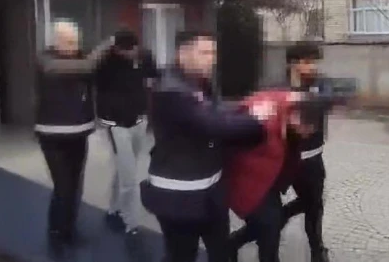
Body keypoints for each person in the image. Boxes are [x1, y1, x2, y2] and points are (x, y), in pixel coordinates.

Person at [141, 30, 267, 262]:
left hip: (211, 190)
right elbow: (214, 124)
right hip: (178, 195)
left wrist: (244, 111)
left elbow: (218, 112)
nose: (212, 59)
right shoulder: (171, 89)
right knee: (182, 255)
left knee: (221, 252)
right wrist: (258, 120)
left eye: (213, 53)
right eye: (204, 52)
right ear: (182, 54)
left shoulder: (200, 82)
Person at [35, 20, 113, 255]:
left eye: (75, 41)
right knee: (63, 186)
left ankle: (69, 228)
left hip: (79, 132)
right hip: (52, 134)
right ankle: (57, 231)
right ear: (56, 41)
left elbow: (97, 74)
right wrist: (107, 45)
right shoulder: (45, 59)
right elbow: (85, 66)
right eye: (68, 41)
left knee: (75, 184)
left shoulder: (82, 58)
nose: (73, 46)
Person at [226, 90, 312, 262]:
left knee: (271, 223)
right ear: (295, 115)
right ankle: (232, 246)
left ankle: (232, 244)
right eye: (307, 128)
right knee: (269, 227)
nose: (308, 133)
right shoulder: (262, 121)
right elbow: (230, 145)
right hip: (248, 184)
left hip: (268, 181)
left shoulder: (294, 108)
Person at [96, 29, 158, 241]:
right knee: (129, 176)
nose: (130, 54)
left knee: (124, 169)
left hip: (139, 120)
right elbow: (92, 80)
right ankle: (130, 222)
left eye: (133, 49)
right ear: (116, 49)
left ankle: (113, 208)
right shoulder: (106, 61)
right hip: (116, 124)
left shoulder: (145, 56)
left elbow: (153, 79)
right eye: (125, 51)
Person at [280, 41, 336, 262]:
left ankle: (317, 251)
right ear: (292, 64)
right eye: (306, 61)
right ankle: (244, 238)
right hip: (285, 160)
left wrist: (298, 97)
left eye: (314, 61)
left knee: (314, 206)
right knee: (272, 212)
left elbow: (325, 102)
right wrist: (295, 92)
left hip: (313, 159)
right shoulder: (279, 85)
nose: (312, 66)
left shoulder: (321, 82)